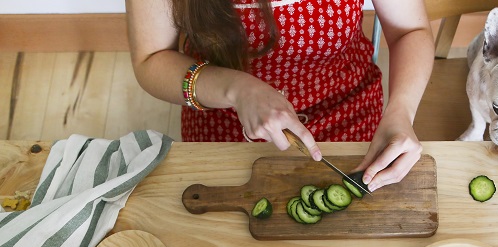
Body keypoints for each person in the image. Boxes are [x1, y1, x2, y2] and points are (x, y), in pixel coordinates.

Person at [126, 0, 434, 191]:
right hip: (225, 124)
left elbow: (409, 31)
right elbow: (151, 60)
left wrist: (400, 112)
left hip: (350, 116)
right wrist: (237, 88)